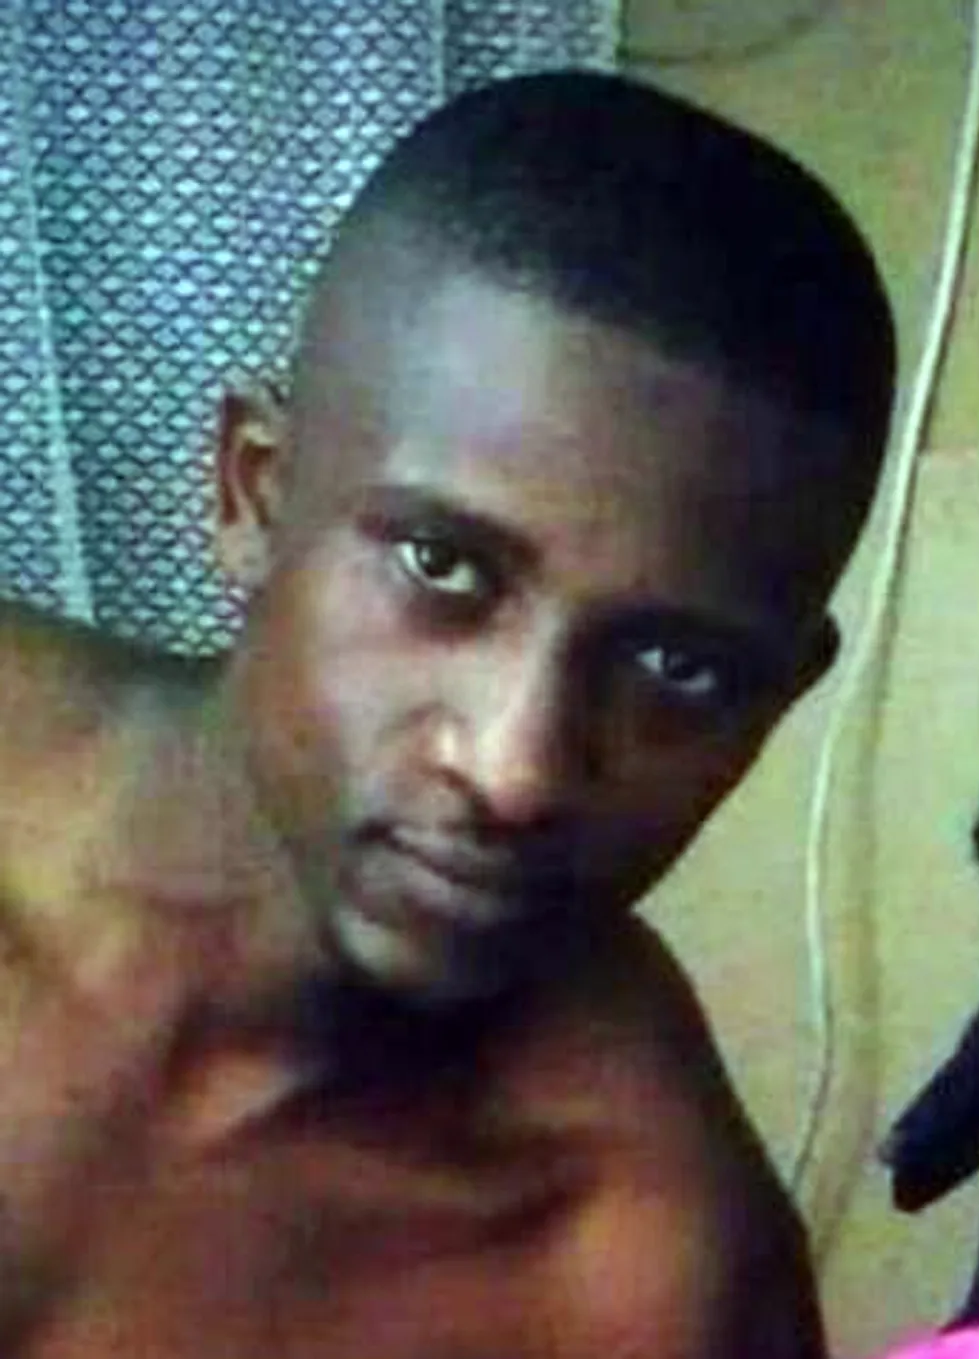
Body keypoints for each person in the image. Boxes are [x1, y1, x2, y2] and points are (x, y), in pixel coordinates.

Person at [0, 70, 895, 1357]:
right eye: (442, 566)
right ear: (252, 493)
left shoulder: (639, 1271)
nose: (516, 767)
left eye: (677, 668)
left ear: (779, 698)